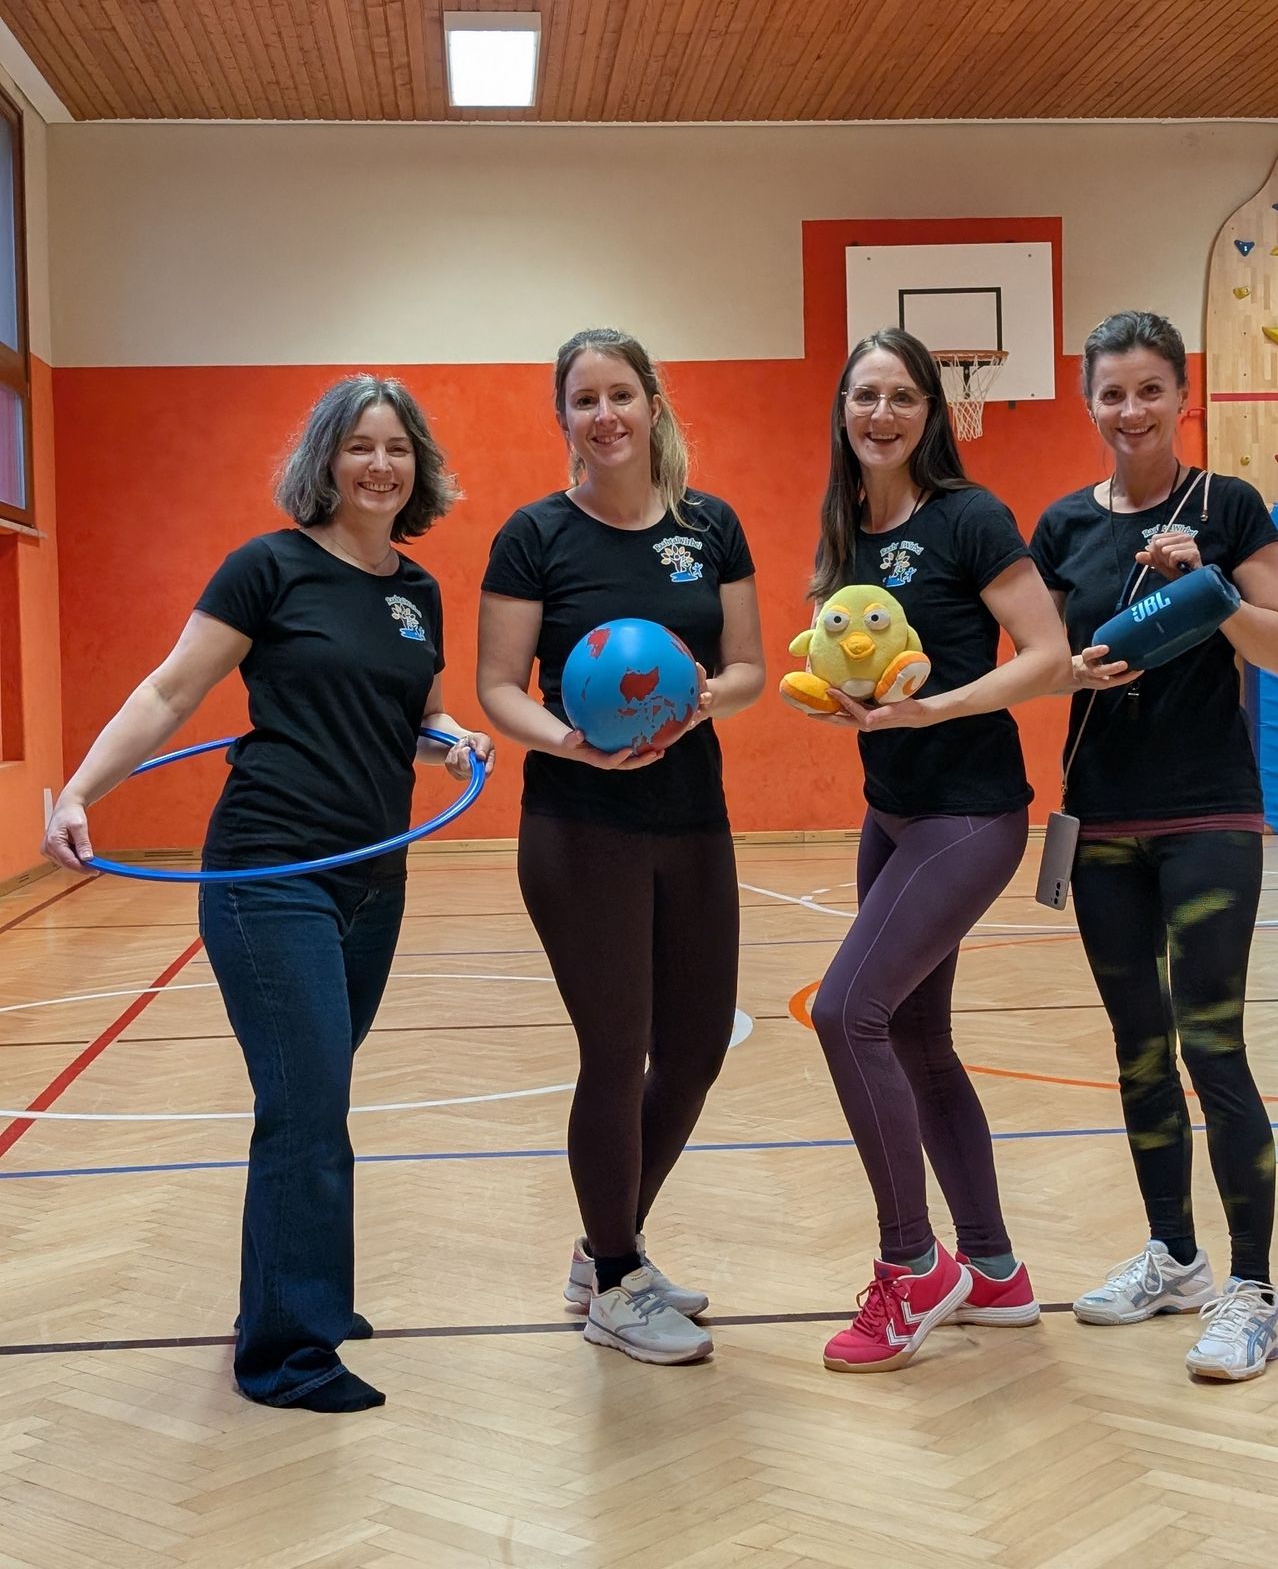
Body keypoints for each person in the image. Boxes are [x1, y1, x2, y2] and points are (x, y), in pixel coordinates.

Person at [42, 375, 494, 1412]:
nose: (380, 465)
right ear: (326, 462)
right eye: (360, 447)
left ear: (416, 467)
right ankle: (288, 1352)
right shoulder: (269, 568)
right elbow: (169, 690)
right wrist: (77, 791)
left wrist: (453, 736)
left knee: (312, 1098)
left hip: (375, 877)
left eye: (397, 449)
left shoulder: (414, 590)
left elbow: (419, 712)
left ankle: (296, 1296)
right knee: (308, 1107)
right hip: (268, 872)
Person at [477, 327, 765, 1366]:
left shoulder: (711, 525)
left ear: (654, 406)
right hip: (577, 820)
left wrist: (691, 710)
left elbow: (747, 668)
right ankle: (613, 1279)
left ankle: (608, 1248)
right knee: (614, 1049)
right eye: (584, 400)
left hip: (692, 812)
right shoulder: (535, 535)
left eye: (621, 396)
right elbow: (499, 683)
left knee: (692, 1050)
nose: (605, 416)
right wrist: (573, 741)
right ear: (566, 420)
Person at [805, 327, 1070, 1374]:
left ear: (931, 413)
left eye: (901, 397)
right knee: (917, 1040)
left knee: (843, 1011)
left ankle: (914, 1267)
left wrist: (937, 712)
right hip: (893, 811)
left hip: (971, 815)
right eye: (865, 395)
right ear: (844, 408)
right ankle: (994, 1270)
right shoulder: (844, 527)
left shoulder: (970, 516)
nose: (881, 414)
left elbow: (1046, 655)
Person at [1030, 310, 1278, 1382]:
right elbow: (1039, 665)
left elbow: (1277, 644)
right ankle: (1174, 1255)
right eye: (1111, 393)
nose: (1129, 411)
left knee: (1211, 1044)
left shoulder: (1228, 505)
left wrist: (1209, 586)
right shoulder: (1058, 527)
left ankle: (1256, 1284)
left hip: (1210, 812)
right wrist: (1075, 669)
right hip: (1100, 820)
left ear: (1183, 396)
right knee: (1139, 1048)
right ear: (1090, 402)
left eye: (1149, 391)